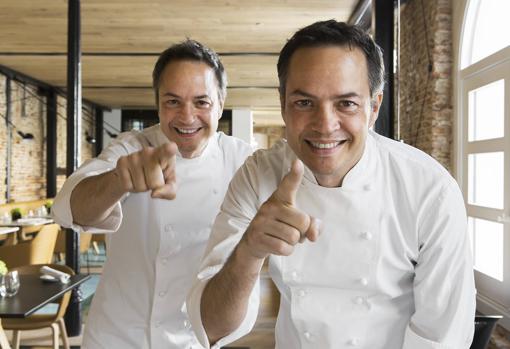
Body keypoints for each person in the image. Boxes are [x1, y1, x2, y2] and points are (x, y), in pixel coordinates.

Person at [187, 20, 476, 349]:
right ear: (283, 105)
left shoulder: (428, 189)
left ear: (374, 107)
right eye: (304, 103)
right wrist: (248, 254)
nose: (325, 126)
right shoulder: (259, 175)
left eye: (346, 103)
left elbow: (442, 337)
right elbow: (212, 328)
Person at [52, 39, 252, 349]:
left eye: (201, 102)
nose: (187, 117)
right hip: (116, 336)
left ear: (221, 102)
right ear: (157, 101)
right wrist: (120, 179)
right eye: (173, 101)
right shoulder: (132, 147)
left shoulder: (241, 161)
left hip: (193, 340)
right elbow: (71, 208)